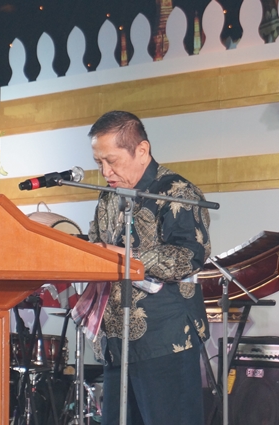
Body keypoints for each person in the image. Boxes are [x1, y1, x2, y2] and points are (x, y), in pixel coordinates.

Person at [85, 110, 212, 424]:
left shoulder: (177, 192)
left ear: (142, 150)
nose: (105, 171)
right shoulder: (109, 196)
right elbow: (94, 246)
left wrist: (121, 254)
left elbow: (189, 256)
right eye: (99, 162)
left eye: (111, 161)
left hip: (165, 339)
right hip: (116, 341)